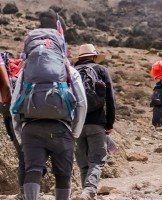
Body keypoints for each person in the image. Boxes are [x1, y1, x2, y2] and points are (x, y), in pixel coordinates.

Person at [11, 29, 87, 200]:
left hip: (31, 128)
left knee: (33, 170)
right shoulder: (67, 69)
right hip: (62, 128)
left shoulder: (26, 71)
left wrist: (20, 134)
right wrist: (75, 132)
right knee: (63, 174)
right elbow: (82, 103)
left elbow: (14, 105)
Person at [73, 44, 116, 199]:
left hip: (75, 125)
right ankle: (89, 190)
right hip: (96, 123)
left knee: (83, 162)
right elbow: (110, 99)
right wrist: (109, 124)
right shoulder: (101, 70)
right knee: (97, 160)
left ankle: (86, 191)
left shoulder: (71, 72)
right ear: (94, 56)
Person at [0, 53, 25, 199]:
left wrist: (7, 104)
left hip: (8, 110)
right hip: (18, 110)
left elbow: (6, 87)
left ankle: (24, 192)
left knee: (22, 152)